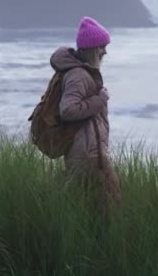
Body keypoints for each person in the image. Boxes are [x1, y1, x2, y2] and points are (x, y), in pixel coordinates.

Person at [49, 16, 121, 208]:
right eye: (102, 46)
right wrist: (100, 100)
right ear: (92, 49)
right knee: (110, 208)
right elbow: (68, 110)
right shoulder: (78, 75)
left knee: (92, 207)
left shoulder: (83, 73)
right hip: (88, 155)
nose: (105, 51)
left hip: (89, 152)